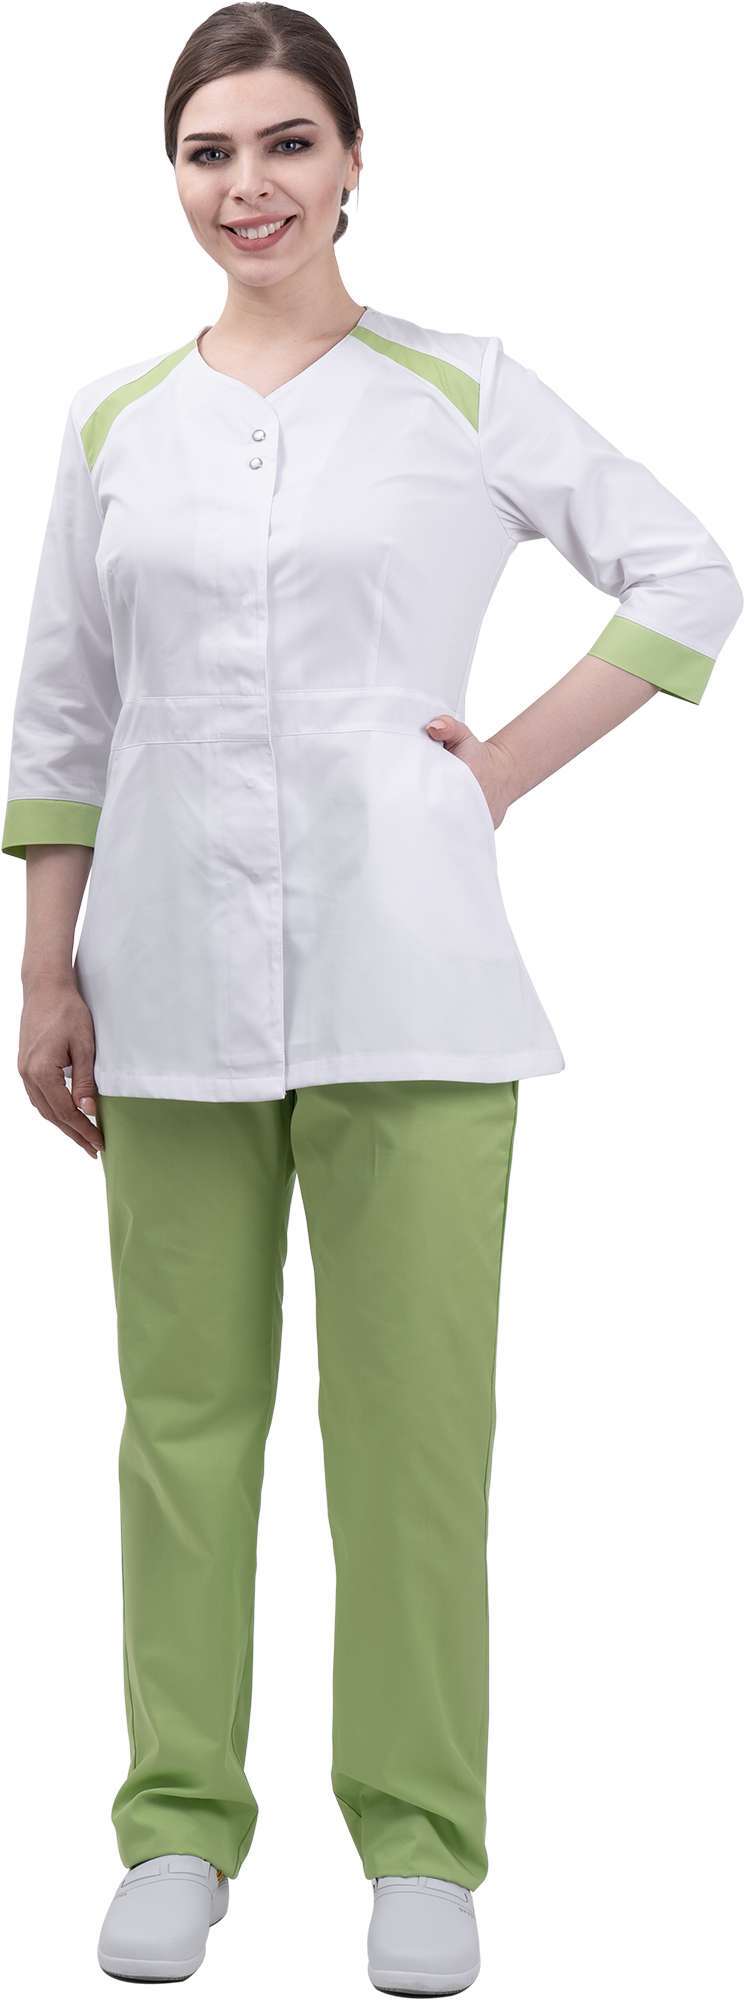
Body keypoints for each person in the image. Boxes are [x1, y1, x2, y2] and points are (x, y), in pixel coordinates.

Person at [3, 4, 742, 1991]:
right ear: (173, 176)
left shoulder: (457, 387)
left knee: (411, 1436)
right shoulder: (111, 418)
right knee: (180, 1427)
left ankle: (419, 1842)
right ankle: (178, 1824)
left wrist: (494, 770)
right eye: (208, 150)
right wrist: (44, 965)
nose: (245, 185)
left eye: (283, 143)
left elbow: (685, 573)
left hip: (411, 981)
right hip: (161, 979)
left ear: (350, 163)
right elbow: (65, 703)